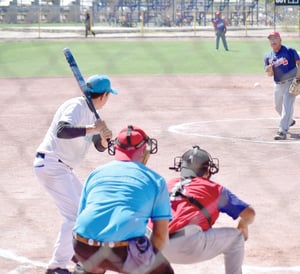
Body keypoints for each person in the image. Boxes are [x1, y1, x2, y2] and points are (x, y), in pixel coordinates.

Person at [33, 74, 117, 274]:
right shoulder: (76, 106)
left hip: (61, 168)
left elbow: (98, 146)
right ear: (104, 95)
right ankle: (57, 266)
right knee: (74, 215)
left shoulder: (93, 113)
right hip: (52, 164)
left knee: (86, 209)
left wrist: (104, 138)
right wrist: (93, 128)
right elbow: (62, 130)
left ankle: (74, 251)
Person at [72, 125, 174, 274]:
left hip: (82, 246)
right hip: (122, 252)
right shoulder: (155, 180)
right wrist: (146, 263)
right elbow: (160, 236)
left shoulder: (96, 173)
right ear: (144, 151)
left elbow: (81, 218)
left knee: (92, 262)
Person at [162, 145, 256, 274]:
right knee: (236, 238)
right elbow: (250, 213)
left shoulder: (169, 184)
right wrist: (243, 224)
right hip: (188, 244)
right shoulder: (213, 188)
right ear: (207, 171)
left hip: (155, 246)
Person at [264, 31, 300, 140]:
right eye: (271, 39)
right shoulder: (268, 56)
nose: (273, 41)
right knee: (277, 107)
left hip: (291, 82)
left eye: (275, 38)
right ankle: (289, 121)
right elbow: (270, 74)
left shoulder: (289, 50)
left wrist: (298, 77)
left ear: (280, 40)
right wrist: (269, 70)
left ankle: (282, 130)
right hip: (278, 85)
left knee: (287, 106)